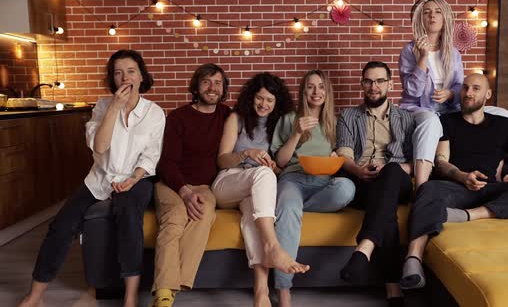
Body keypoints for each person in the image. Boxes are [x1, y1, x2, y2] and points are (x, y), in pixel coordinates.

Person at [18, 49, 166, 307]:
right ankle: (35, 295)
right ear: (112, 79)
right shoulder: (101, 106)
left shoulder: (154, 113)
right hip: (99, 179)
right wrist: (114, 108)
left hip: (136, 179)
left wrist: (133, 179)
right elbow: (99, 146)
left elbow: (150, 156)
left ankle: (129, 297)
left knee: (128, 216)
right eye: (118, 73)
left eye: (131, 71)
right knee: (61, 226)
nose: (124, 78)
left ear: (141, 76)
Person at [399, 73, 508, 290]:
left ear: (488, 94)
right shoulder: (446, 122)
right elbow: (440, 161)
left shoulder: (503, 124)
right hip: (456, 187)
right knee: (427, 189)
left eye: (476, 88)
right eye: (465, 88)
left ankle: (469, 215)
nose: (469, 93)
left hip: (493, 189)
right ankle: (413, 260)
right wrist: (461, 175)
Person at [211, 73, 309, 307]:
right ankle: (274, 247)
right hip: (228, 182)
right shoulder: (237, 118)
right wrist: (246, 153)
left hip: (257, 189)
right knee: (263, 175)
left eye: (269, 100)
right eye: (259, 98)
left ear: (277, 103)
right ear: (251, 97)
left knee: (255, 218)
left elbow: (279, 166)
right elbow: (222, 160)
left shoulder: (279, 124)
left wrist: (274, 168)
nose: (263, 104)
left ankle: (261, 294)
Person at [399, 0, 508, 188]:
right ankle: (421, 186)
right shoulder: (409, 50)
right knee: (431, 120)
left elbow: (460, 86)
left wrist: (450, 94)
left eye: (437, 12)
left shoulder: (453, 52)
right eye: (427, 12)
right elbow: (412, 90)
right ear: (420, 20)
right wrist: (423, 57)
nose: (432, 16)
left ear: (444, 19)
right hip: (420, 108)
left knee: (502, 114)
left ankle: (501, 169)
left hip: (450, 108)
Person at [271, 70, 356, 307]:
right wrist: (297, 133)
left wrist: (335, 158)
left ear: (327, 92)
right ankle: (284, 288)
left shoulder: (335, 123)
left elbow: (342, 156)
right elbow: (280, 162)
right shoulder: (289, 119)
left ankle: (295, 211)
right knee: (288, 204)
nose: (316, 92)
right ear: (303, 91)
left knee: (347, 188)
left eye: (321, 87)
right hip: (293, 179)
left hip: (324, 183)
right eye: (310, 86)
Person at [150, 63, 231, 307]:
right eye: (206, 82)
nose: (212, 87)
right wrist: (184, 191)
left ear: (224, 88)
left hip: (205, 186)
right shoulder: (178, 117)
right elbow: (167, 163)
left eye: (218, 83)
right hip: (172, 183)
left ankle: (173, 286)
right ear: (196, 86)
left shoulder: (227, 116)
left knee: (204, 213)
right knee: (175, 217)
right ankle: (164, 294)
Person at [336, 61, 414, 307]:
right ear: (362, 84)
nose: (374, 86)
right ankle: (393, 287)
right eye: (369, 81)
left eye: (380, 81)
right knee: (384, 208)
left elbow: (416, 162)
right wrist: (359, 170)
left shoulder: (407, 118)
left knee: (390, 172)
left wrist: (392, 169)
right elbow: (344, 155)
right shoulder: (348, 115)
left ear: (390, 84)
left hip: (397, 178)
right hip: (363, 181)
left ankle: (365, 248)